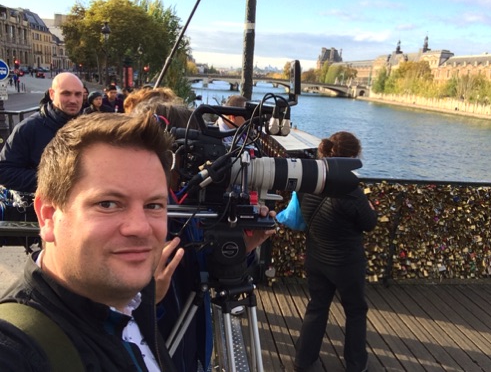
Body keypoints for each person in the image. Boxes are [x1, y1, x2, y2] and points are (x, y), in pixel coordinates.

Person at [0, 112, 184, 371]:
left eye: (153, 205)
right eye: (107, 204)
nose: (141, 228)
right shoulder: (15, 350)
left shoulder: (132, 297)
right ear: (48, 216)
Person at [130, 98, 276, 372]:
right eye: (196, 148)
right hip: (160, 356)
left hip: (193, 349)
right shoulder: (133, 222)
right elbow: (106, 324)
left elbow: (209, 268)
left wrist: (242, 247)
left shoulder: (191, 205)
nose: (205, 158)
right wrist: (147, 298)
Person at [294, 131, 378, 372]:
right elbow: (369, 223)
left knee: (317, 305)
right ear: (351, 158)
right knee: (355, 310)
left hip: (316, 257)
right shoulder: (351, 191)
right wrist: (369, 207)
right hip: (346, 263)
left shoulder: (310, 182)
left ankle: (304, 360)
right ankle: (355, 363)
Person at [0, 72, 84, 193]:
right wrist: (55, 181)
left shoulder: (87, 126)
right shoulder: (28, 128)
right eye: (66, 93)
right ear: (52, 94)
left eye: (78, 94)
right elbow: (4, 171)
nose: (73, 100)